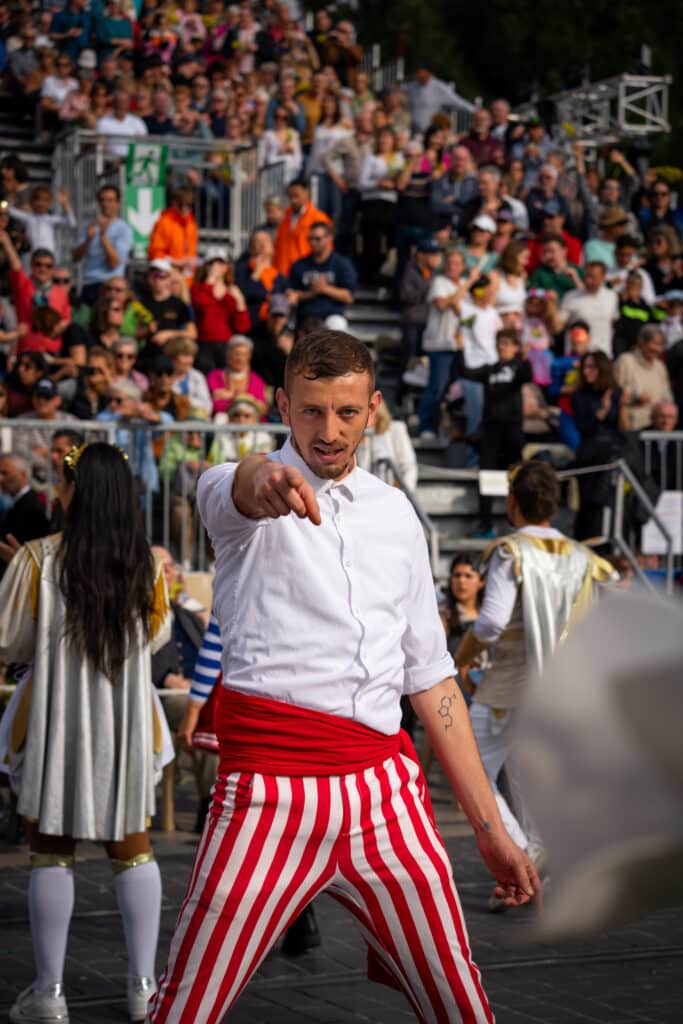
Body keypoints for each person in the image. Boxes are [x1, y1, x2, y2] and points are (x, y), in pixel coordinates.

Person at [148, 328, 538, 1024]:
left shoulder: (395, 517)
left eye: (346, 412)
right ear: (282, 405)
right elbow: (232, 488)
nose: (328, 431)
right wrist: (260, 480)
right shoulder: (241, 493)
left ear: (374, 409)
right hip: (270, 791)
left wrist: (490, 829)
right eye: (310, 411)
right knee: (186, 1008)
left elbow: (432, 681)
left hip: (383, 796)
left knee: (461, 1001)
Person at [0, 443, 173, 1023]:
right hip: (124, 718)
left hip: (53, 714)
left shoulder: (36, 558)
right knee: (133, 846)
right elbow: (153, 641)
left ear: (76, 491)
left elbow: (10, 645)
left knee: (50, 849)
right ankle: (143, 986)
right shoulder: (146, 565)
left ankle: (49, 994)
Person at [455, 460, 615, 909]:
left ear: (512, 502)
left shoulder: (511, 552)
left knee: (475, 778)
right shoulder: (585, 559)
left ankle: (526, 853)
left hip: (509, 686)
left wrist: (460, 659)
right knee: (521, 775)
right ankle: (525, 867)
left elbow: (488, 625)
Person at [454, 327, 532, 536]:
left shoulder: (518, 366)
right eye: (500, 343)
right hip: (491, 429)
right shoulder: (489, 369)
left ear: (515, 347)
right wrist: (460, 348)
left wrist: (525, 358)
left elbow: (527, 376)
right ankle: (485, 525)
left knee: (516, 478)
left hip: (513, 428)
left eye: (506, 344)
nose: (502, 347)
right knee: (486, 477)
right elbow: (466, 372)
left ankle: (518, 522)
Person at [572, 351, 630, 540]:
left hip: (612, 452)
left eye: (592, 367)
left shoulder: (616, 392)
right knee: (590, 502)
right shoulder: (579, 396)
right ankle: (588, 539)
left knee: (614, 501)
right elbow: (584, 427)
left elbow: (623, 429)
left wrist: (622, 407)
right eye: (585, 367)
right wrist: (602, 412)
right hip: (590, 454)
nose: (587, 372)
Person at [287, 220, 356, 329]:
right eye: (310, 239)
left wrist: (325, 289)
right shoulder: (299, 265)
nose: (313, 243)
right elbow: (291, 294)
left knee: (338, 325)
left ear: (329, 238)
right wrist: (311, 293)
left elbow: (348, 297)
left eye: (317, 239)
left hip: (332, 317)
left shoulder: (341, 264)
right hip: (305, 318)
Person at [190, 251, 250, 374]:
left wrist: (240, 303)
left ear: (226, 267)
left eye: (220, 263)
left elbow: (242, 326)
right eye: (212, 263)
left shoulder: (232, 292)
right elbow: (203, 307)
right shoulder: (197, 289)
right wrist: (210, 282)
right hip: (204, 344)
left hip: (226, 345)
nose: (216, 266)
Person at [72, 184, 133, 305]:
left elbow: (114, 263)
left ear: (118, 203)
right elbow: (75, 258)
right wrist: (87, 240)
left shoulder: (124, 229)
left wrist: (103, 236)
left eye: (110, 200)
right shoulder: (88, 226)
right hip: (89, 284)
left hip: (111, 287)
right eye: (102, 200)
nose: (106, 204)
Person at [614, 324, 673, 432]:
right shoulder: (625, 361)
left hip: (658, 427)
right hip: (633, 427)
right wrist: (634, 396)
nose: (658, 349)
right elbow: (615, 393)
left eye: (661, 345)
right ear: (642, 342)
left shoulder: (660, 366)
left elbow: (667, 397)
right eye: (654, 344)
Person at [0, 452, 50, 570]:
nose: (1, 478)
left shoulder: (31, 508)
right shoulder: (19, 503)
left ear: (23, 475)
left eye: (5, 473)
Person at [273, 178, 332, 277]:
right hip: (283, 273)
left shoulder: (318, 218)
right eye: (290, 196)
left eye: (296, 196)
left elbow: (326, 248)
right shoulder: (284, 217)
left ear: (306, 193)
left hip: (306, 273)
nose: (293, 200)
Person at [560, 261, 619, 358]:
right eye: (586, 276)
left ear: (603, 278)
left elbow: (613, 321)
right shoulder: (570, 296)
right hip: (575, 358)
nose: (588, 280)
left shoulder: (612, 296)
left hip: (603, 356)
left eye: (593, 277)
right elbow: (558, 326)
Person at [206, 334, 267, 417]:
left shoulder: (257, 380)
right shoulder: (214, 376)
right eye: (237, 354)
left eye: (244, 354)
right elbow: (213, 403)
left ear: (249, 357)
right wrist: (246, 398)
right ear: (228, 355)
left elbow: (262, 408)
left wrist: (230, 395)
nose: (240, 358)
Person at [148, 187, 199, 285]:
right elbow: (155, 254)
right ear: (174, 203)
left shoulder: (191, 224)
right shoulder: (164, 223)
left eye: (189, 205)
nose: (185, 208)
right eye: (181, 205)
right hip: (168, 278)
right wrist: (177, 262)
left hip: (187, 279)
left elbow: (191, 251)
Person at [406, 62, 475, 135]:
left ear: (428, 73)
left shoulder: (440, 88)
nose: (418, 74)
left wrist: (475, 111)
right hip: (414, 131)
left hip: (433, 132)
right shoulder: (411, 87)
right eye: (417, 72)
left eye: (420, 72)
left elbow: (458, 102)